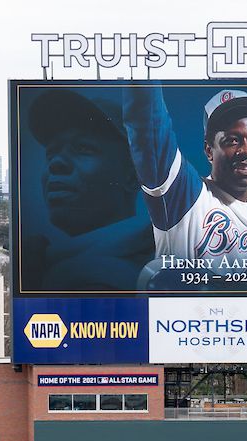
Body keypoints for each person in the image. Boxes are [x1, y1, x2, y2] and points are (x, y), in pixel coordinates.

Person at [123, 84, 247, 291]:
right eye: (232, 141)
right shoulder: (184, 196)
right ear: (209, 151)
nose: (246, 150)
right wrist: (145, 64)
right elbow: (147, 125)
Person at [26, 89, 153, 290]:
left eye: (84, 149)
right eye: (51, 154)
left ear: (133, 176)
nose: (56, 163)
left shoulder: (108, 277)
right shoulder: (46, 264)